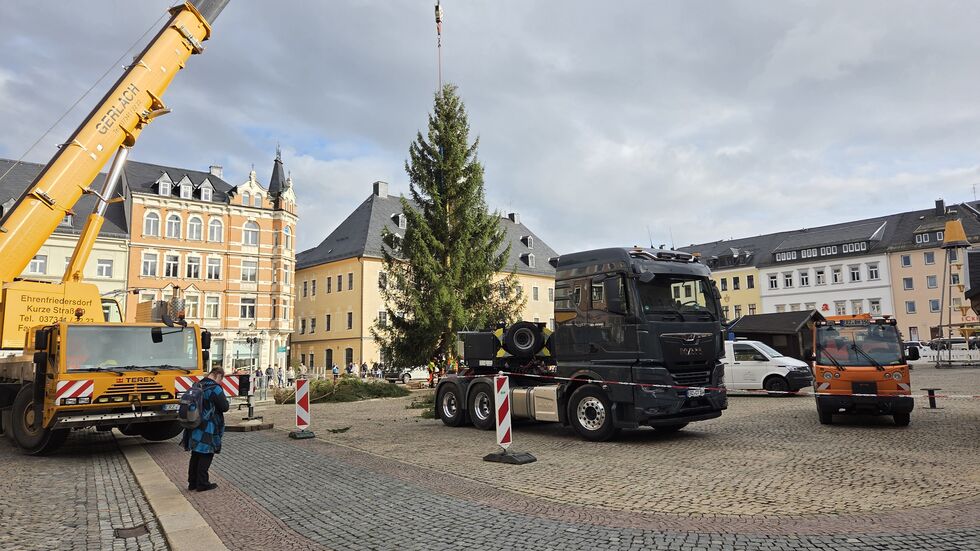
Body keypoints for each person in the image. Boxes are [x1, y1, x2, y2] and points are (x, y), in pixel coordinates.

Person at [181, 367, 229, 492]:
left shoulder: (197, 384)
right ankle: (202, 483)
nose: (221, 382)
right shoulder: (215, 388)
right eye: (221, 379)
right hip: (208, 426)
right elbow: (224, 407)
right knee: (207, 452)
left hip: (195, 423)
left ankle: (192, 483)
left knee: (196, 453)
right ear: (218, 375)